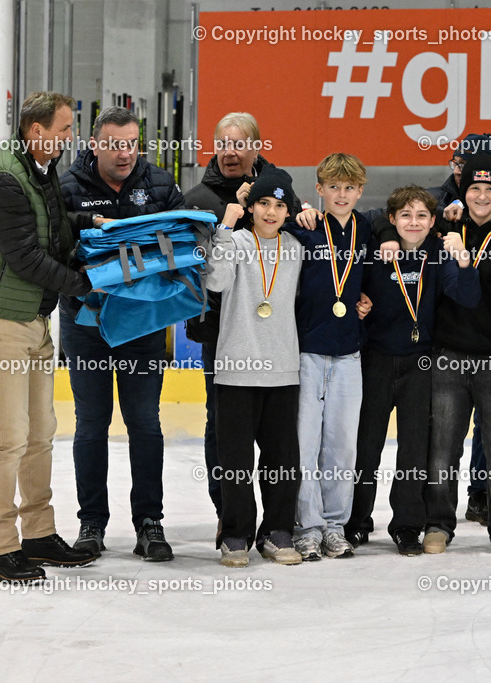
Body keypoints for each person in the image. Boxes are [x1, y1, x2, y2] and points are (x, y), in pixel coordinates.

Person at [0, 91, 97, 582]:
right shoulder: (4, 179)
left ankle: (38, 535)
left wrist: (92, 224)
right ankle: (2, 549)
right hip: (2, 322)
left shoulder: (41, 167)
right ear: (36, 131)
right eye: (63, 129)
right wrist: (86, 285)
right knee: (9, 440)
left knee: (41, 434)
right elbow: (26, 258)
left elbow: (54, 227)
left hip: (34, 320)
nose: (69, 138)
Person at [58, 106, 184, 562]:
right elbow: (55, 250)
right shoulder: (67, 187)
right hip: (85, 324)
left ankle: (149, 522)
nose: (125, 152)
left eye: (131, 142)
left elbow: (184, 246)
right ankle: (91, 524)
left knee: (145, 425)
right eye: (114, 143)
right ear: (95, 144)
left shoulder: (160, 185)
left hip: (143, 325)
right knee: (91, 425)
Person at [346, 185, 479, 555]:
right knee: (366, 445)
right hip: (375, 360)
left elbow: (465, 297)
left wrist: (464, 263)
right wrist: (359, 303)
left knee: (414, 449)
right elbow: (354, 282)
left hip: (421, 363)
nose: (413, 222)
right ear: (391, 220)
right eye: (405, 215)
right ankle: (356, 521)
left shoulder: (439, 254)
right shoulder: (376, 250)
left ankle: (407, 524)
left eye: (422, 216)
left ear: (433, 221)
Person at [423, 154, 491, 555]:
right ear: (462, 192)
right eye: (473, 188)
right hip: (449, 354)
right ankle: (438, 523)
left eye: (489, 189)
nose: (481, 196)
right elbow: (393, 216)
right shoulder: (446, 226)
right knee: (444, 445)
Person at [205, 166, 304, 567]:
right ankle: (235, 533)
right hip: (236, 367)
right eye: (263, 202)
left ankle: (278, 529)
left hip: (282, 367)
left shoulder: (295, 248)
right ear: (250, 206)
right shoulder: (236, 241)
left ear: (287, 212)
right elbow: (215, 282)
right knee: (235, 460)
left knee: (282, 458)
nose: (270, 212)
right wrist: (225, 227)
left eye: (279, 205)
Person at [285, 153, 372, 561]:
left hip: (349, 354)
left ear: (360, 191)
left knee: (341, 446)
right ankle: (307, 524)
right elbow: (271, 217)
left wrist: (367, 301)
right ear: (318, 190)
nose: (342, 194)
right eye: (333, 187)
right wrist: (296, 213)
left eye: (350, 187)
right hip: (307, 352)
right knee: (304, 445)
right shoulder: (304, 229)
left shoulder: (367, 228)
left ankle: (336, 524)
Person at [185, 112, 271, 527]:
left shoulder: (277, 189)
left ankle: (276, 515)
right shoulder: (196, 200)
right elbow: (190, 269)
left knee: (271, 427)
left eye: (239, 144)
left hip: (272, 333)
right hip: (219, 334)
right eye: (223, 143)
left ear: (256, 147)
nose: (230, 152)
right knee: (221, 424)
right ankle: (228, 512)